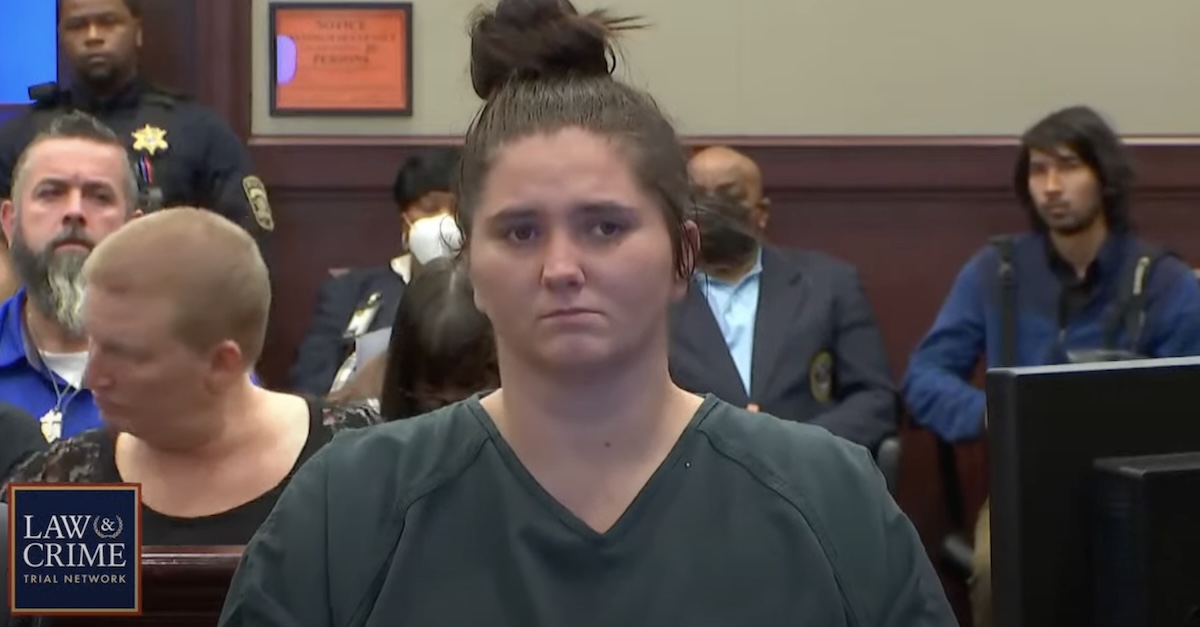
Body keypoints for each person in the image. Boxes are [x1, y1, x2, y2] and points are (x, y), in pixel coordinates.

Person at [218, 1, 955, 625]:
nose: (562, 267)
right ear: (470, 267)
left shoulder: (830, 497)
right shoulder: (347, 507)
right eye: (520, 232)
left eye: (605, 226)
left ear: (682, 256)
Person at [902, 105, 1200, 627]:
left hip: (1141, 486)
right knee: (996, 571)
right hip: (1027, 486)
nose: (1052, 186)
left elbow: (1185, 397)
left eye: (1069, 166)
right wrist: (990, 413)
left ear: (1105, 177)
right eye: (1039, 170)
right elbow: (925, 376)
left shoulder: (1162, 280)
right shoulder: (996, 271)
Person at [1, 208, 381, 545]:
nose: (91, 377)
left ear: (221, 364)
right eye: (93, 342)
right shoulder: (69, 485)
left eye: (124, 353)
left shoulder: (365, 465)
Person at [673, 148, 898, 450]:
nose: (713, 209)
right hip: (691, 469)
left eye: (729, 196)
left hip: (805, 469)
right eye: (699, 196)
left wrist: (789, 443)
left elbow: (876, 400)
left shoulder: (830, 285)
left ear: (762, 213)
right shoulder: (652, 296)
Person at [0, 0, 274, 244]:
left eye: (108, 22)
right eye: (78, 26)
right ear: (60, 36)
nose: (93, 36)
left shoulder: (198, 131)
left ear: (138, 31)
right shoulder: (21, 136)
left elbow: (245, 241)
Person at [0, 111, 140, 440]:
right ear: (9, 223)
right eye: (51, 193)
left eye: (99, 196)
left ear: (135, 230)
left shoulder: (194, 373)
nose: (74, 211)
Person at [288, 148, 462, 395]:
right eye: (429, 208)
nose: (444, 221)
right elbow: (310, 387)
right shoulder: (348, 292)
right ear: (405, 219)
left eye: (456, 209)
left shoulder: (491, 292)